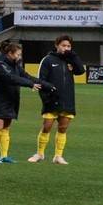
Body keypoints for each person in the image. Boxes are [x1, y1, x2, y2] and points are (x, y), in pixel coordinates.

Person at [32, 35, 84, 164]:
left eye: (68, 46)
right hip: (51, 99)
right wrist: (45, 98)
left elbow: (81, 71)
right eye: (63, 45)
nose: (66, 48)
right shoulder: (48, 60)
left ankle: (58, 156)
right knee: (47, 126)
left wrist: (73, 56)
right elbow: (41, 80)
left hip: (67, 99)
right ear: (57, 45)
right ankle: (40, 153)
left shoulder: (70, 60)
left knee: (63, 128)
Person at [0, 41, 41, 164]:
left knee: (6, 128)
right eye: (17, 54)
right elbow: (12, 78)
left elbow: (27, 76)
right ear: (10, 53)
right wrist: (30, 84)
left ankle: (4, 156)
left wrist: (47, 85)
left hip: (11, 99)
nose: (19, 57)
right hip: (0, 99)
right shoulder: (0, 63)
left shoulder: (16, 65)